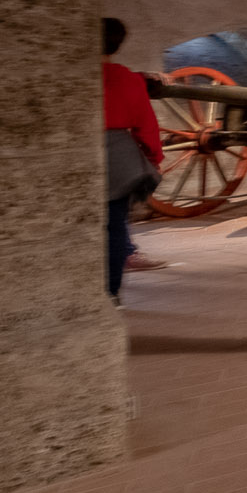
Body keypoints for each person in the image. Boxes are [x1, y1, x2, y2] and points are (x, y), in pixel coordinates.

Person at [101, 17, 167, 298]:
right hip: (117, 154)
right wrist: (154, 157)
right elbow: (145, 125)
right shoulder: (127, 78)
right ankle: (112, 294)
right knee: (115, 225)